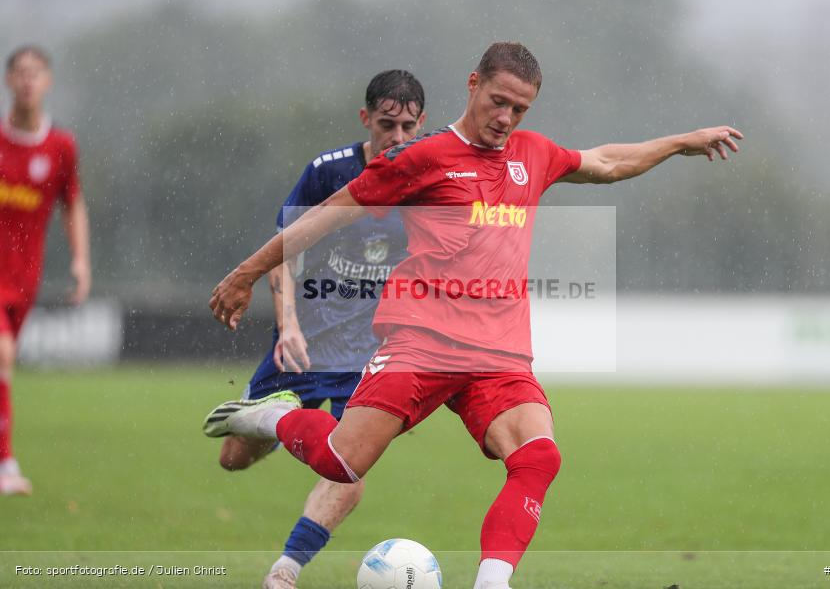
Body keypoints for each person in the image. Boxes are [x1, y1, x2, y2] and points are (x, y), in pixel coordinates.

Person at [205, 42, 742, 589]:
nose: (506, 118)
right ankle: (270, 416)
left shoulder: (532, 153)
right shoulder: (422, 157)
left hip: (497, 354)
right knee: (342, 466)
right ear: (473, 85)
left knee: (538, 457)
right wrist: (247, 273)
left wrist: (681, 143)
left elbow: (605, 162)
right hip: (421, 341)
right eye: (498, 101)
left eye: (520, 109)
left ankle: (492, 583)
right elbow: (323, 219)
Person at [206, 69, 426, 589]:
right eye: (387, 124)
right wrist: (287, 328)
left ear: (421, 125)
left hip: (371, 355)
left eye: (409, 127)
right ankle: (275, 421)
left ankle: (286, 571)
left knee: (350, 470)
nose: (397, 138)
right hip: (307, 342)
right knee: (232, 459)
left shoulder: (426, 179)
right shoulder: (329, 172)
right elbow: (284, 247)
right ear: (365, 118)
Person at [0, 46, 90, 496]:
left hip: (23, 279)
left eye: (36, 73)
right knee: (2, 356)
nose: (28, 81)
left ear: (48, 81)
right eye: (20, 73)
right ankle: (5, 461)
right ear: (8, 81)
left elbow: (72, 204)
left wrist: (79, 259)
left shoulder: (60, 147)